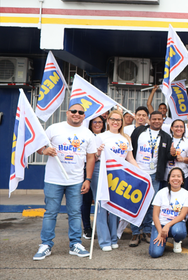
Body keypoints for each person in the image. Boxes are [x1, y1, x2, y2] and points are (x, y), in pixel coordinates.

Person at [33, 104, 96, 260]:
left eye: (80, 112)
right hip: (53, 180)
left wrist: (88, 179)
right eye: (73, 111)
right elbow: (39, 147)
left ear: (84, 115)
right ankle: (46, 244)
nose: (76, 114)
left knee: (75, 213)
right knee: (50, 213)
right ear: (67, 113)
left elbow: (90, 158)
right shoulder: (54, 128)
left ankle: (75, 244)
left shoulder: (88, 134)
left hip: (76, 181)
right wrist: (44, 151)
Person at [93, 110, 139, 251]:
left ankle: (113, 238)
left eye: (118, 120)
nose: (115, 122)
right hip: (101, 171)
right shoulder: (100, 137)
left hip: (119, 174)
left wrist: (140, 173)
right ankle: (104, 241)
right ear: (108, 121)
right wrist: (98, 152)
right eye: (113, 119)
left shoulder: (126, 138)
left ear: (122, 122)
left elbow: (130, 158)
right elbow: (92, 158)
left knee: (114, 207)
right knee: (101, 206)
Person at [129, 111, 174, 246]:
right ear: (149, 119)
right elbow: (130, 149)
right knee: (134, 202)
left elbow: (167, 157)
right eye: (154, 119)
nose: (156, 121)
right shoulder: (138, 131)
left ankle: (147, 230)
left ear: (162, 121)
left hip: (154, 175)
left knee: (150, 204)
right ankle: (135, 232)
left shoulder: (166, 137)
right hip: (137, 173)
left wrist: (172, 154)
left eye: (159, 119)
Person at [149, 167, 188, 257]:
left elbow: (182, 216)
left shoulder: (186, 194)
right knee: (154, 253)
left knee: (179, 231)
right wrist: (160, 232)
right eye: (173, 176)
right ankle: (164, 236)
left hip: (176, 225)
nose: (176, 178)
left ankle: (177, 240)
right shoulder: (161, 193)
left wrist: (168, 225)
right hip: (160, 225)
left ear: (182, 180)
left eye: (179, 176)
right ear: (168, 179)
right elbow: (155, 216)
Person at [81, 116, 105, 240]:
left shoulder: (107, 136)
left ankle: (104, 229)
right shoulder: (86, 136)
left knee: (102, 200)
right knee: (87, 199)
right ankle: (87, 227)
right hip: (87, 169)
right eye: (95, 122)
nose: (97, 124)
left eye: (100, 122)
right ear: (90, 124)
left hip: (104, 171)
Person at [167, 119, 188, 190]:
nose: (179, 129)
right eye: (176, 126)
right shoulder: (166, 140)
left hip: (183, 176)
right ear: (172, 128)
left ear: (184, 129)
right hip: (167, 176)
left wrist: (183, 159)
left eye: (181, 127)